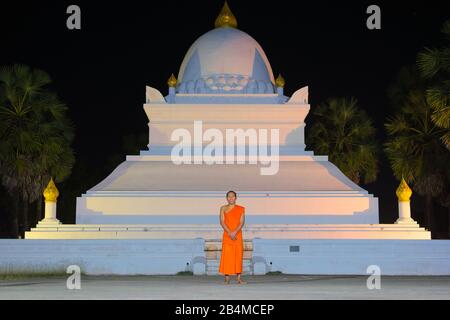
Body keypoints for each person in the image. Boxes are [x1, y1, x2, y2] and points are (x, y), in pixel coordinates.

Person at [218, 190, 246, 284]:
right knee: (227, 256)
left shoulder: (241, 208)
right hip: (227, 235)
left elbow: (242, 222)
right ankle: (227, 278)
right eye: (229, 196)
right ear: (226, 198)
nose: (231, 198)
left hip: (238, 235)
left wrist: (235, 232)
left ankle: (239, 279)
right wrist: (230, 232)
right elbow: (222, 222)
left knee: (238, 256)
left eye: (232, 196)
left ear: (236, 198)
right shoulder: (223, 208)